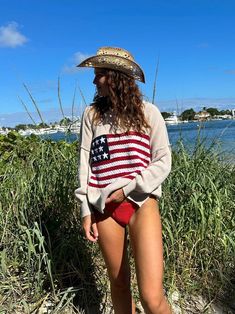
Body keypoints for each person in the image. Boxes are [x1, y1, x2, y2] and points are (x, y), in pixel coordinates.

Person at [75, 46, 172, 314]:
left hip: (141, 203)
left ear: (116, 76)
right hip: (104, 209)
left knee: (152, 296)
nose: (94, 81)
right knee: (118, 286)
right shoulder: (91, 115)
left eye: (99, 75)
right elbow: (86, 165)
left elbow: (163, 162)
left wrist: (128, 188)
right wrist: (86, 210)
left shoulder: (148, 112)